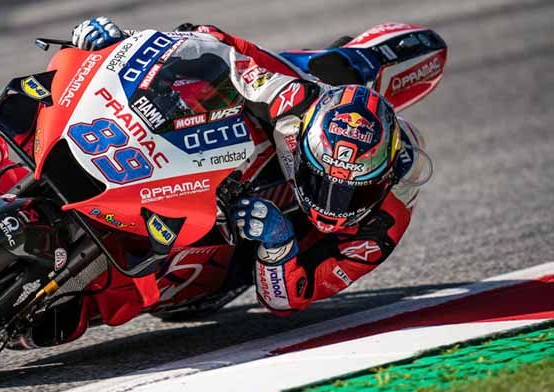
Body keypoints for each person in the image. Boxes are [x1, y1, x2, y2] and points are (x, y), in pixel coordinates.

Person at [70, 17, 431, 317]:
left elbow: (289, 299)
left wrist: (278, 245)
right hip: (226, 155)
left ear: (384, 178)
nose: (332, 203)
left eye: (356, 190)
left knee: (171, 279)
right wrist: (122, 43)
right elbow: (212, 44)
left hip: (250, 252)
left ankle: (82, 306)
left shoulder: (386, 220)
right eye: (323, 183)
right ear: (304, 139)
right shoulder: (293, 101)